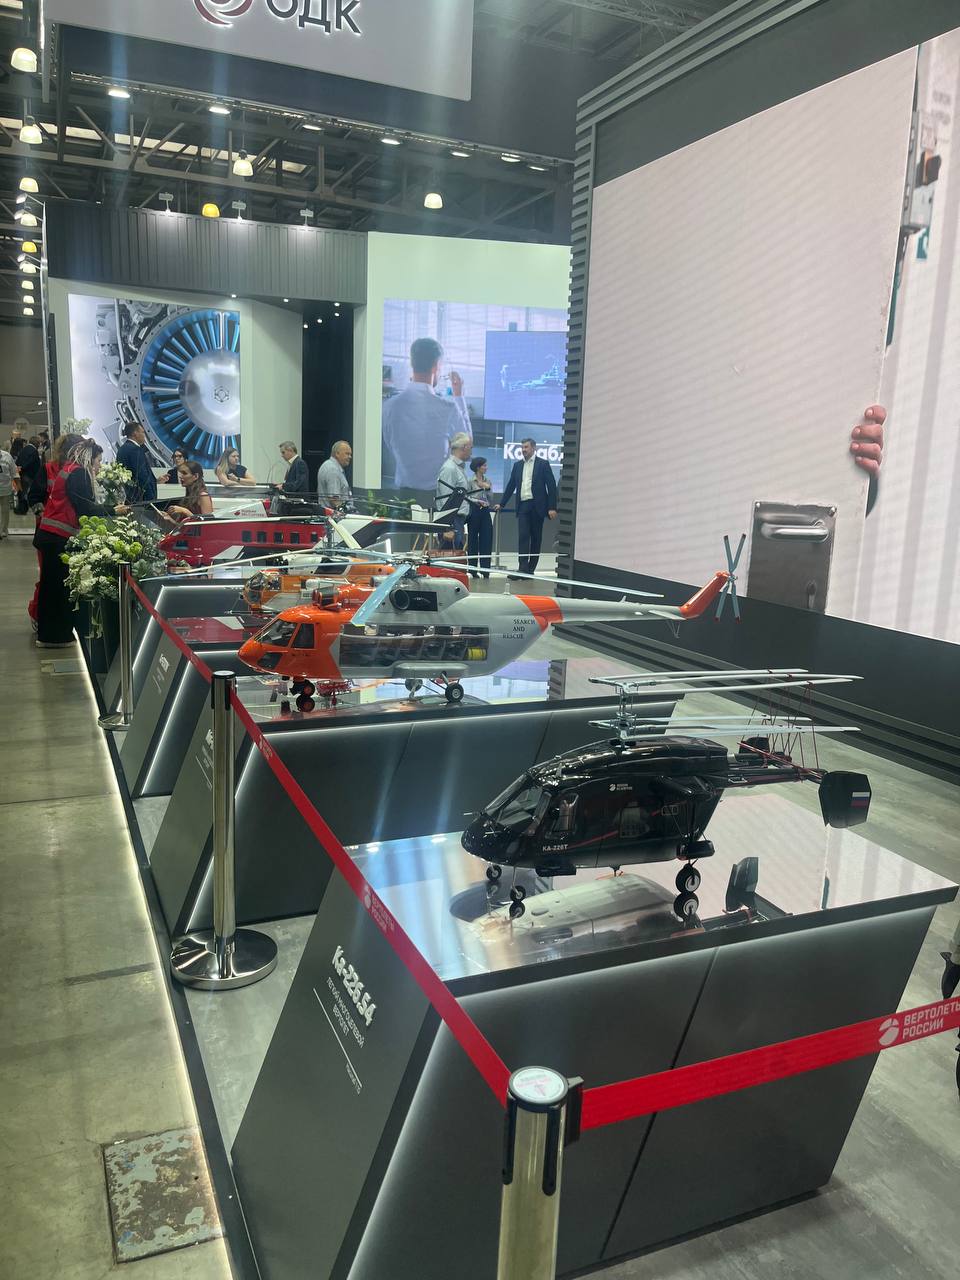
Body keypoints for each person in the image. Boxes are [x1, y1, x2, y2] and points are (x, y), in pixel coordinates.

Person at [34, 439, 129, 648]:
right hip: (58, 537)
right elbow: (85, 508)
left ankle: (50, 634)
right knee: (58, 590)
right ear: (90, 458)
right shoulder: (79, 473)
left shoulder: (69, 469)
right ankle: (56, 636)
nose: (99, 466)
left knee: (51, 588)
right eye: (98, 460)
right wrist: (113, 510)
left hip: (51, 535)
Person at [381, 337, 471, 490]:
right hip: (439, 495)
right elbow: (466, 450)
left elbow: (390, 444)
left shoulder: (390, 406)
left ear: (412, 363)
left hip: (403, 496)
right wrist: (459, 397)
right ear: (436, 366)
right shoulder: (448, 408)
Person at [497, 437, 558, 578]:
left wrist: (552, 507)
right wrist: (502, 503)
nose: (523, 450)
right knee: (523, 536)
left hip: (538, 506)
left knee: (536, 538)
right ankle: (522, 569)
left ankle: (530, 569)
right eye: (522, 447)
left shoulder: (543, 464)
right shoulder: (517, 465)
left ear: (533, 448)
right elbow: (511, 485)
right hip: (523, 505)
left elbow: (551, 486)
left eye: (526, 447)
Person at [436, 433, 473, 551]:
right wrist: (448, 528)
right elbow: (445, 500)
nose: (471, 451)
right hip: (452, 521)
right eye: (470, 447)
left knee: (455, 556)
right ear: (464, 447)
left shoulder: (457, 468)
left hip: (457, 520)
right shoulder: (450, 468)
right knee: (450, 557)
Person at [116, 423, 158, 504]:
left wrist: (155, 480)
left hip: (131, 497)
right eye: (142, 432)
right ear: (135, 433)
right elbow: (142, 475)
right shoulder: (135, 449)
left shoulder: (121, 450)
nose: (144, 435)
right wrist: (151, 498)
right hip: (144, 498)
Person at [466, 456, 494, 579]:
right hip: (474, 511)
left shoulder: (488, 480)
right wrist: (477, 501)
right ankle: (472, 569)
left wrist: (487, 488)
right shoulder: (470, 481)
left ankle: (485, 570)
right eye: (484, 465)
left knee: (486, 539)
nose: (486, 468)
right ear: (478, 467)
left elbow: (491, 497)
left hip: (485, 511)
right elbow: (466, 496)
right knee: (472, 540)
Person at [316, 441, 352, 509]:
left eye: (350, 454)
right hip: (335, 514)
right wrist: (346, 511)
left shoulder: (327, 465)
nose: (350, 457)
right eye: (347, 454)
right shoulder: (333, 470)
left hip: (327, 512)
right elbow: (334, 500)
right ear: (337, 454)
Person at [0, 443, 16, 539]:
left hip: (5, 488)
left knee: (5, 511)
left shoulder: (7, 456)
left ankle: (3, 530)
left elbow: (13, 471)